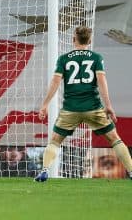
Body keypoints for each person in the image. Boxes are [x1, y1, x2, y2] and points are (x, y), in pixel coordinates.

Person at [34, 25, 132, 182]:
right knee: (114, 139)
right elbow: (101, 81)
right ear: (90, 40)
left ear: (74, 40)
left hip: (70, 109)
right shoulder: (96, 58)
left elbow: (55, 82)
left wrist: (45, 104)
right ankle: (131, 171)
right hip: (93, 107)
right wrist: (108, 106)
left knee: (55, 141)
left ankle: (45, 170)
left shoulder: (64, 59)